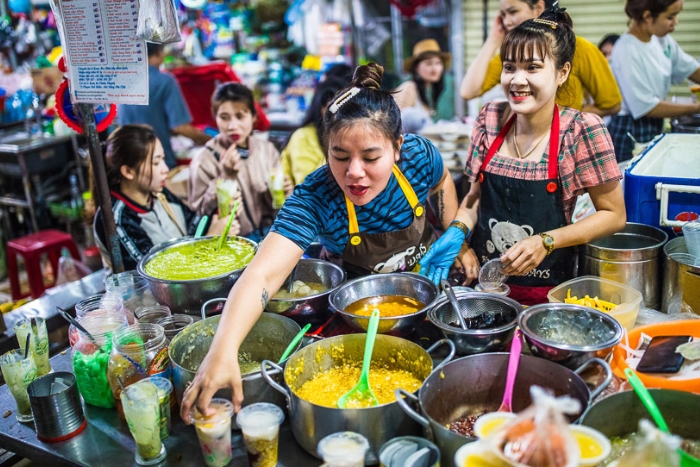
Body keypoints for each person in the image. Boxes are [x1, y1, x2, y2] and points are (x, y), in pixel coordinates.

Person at [180, 63, 468, 418]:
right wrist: (222, 350)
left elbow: (440, 182)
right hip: (361, 320)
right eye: (340, 156)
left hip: (432, 295)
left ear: (398, 148)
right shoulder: (316, 196)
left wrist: (459, 237)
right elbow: (262, 276)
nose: (354, 173)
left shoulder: (419, 156)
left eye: (371, 157)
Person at [443, 8, 626, 306]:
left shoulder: (581, 130)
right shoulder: (489, 118)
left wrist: (546, 241)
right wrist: (458, 232)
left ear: (562, 73)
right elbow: (474, 198)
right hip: (487, 289)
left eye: (532, 67)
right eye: (510, 67)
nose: (517, 80)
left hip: (549, 295)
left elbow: (614, 215)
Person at [94, 125, 236, 271]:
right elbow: (152, 274)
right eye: (156, 163)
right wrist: (211, 239)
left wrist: (219, 214)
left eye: (163, 159)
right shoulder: (116, 218)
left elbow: (195, 227)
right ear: (128, 171)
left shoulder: (160, 195)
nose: (165, 169)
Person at [459, 0, 622, 117]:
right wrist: (494, 38)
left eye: (513, 12)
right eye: (509, 68)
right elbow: (468, 91)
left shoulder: (580, 49)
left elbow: (612, 104)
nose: (507, 21)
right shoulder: (511, 53)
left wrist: (571, 119)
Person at [188, 82, 289, 242]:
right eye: (224, 117)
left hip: (268, 234)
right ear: (215, 118)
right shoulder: (204, 159)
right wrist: (225, 178)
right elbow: (198, 214)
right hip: (230, 242)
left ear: (253, 117)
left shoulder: (266, 150)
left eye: (240, 116)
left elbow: (277, 206)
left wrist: (281, 191)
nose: (232, 126)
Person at [607, 0, 700, 162]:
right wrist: (695, 108)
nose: (675, 23)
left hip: (653, 124)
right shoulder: (627, 50)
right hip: (631, 130)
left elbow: (691, 69)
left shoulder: (662, 40)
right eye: (670, 17)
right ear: (648, 16)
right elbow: (645, 107)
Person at [118, 43, 210, 169]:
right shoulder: (165, 81)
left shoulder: (122, 80)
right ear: (159, 52)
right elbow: (180, 127)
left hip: (129, 164)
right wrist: (210, 140)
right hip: (158, 165)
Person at [281, 78, 348, 185]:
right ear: (319, 107)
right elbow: (308, 186)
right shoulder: (302, 137)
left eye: (342, 107)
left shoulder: (351, 134)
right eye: (329, 105)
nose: (336, 113)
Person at [393, 39, 454, 133]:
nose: (434, 68)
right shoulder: (409, 88)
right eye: (428, 63)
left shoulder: (428, 92)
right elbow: (395, 128)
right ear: (416, 68)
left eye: (438, 63)